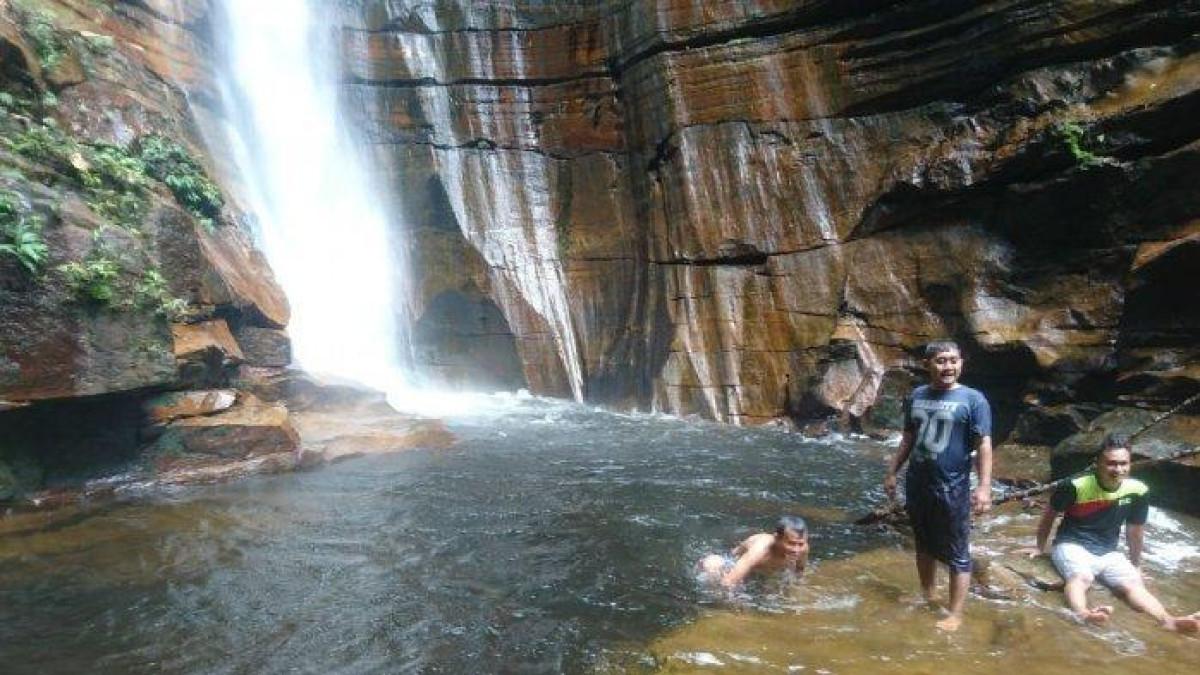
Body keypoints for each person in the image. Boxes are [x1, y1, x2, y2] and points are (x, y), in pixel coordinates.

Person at [1032, 433, 1200, 633]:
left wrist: (1136, 564)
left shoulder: (1138, 490)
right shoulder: (1075, 486)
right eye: (1111, 463)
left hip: (1108, 552)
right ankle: (1083, 613)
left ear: (1130, 464)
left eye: (1123, 463)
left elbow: (1135, 530)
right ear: (1098, 463)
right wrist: (1039, 546)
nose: (1118, 469)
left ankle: (1167, 620)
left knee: (1133, 585)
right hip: (1071, 544)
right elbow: (1050, 514)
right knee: (1081, 576)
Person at [883, 340, 992, 631]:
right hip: (918, 482)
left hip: (952, 486)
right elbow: (908, 437)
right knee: (923, 544)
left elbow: (983, 444)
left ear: (961, 363)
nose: (948, 367)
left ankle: (956, 613)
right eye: (941, 361)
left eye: (953, 360)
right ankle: (928, 595)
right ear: (927, 364)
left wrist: (983, 487)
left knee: (958, 550)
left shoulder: (974, 400)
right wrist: (892, 471)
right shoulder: (917, 395)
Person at [699, 516, 809, 588]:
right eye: (791, 543)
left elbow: (799, 572)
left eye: (800, 544)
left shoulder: (803, 549)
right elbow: (728, 582)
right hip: (733, 563)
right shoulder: (760, 550)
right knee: (712, 564)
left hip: (759, 570)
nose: (796, 550)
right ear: (776, 538)